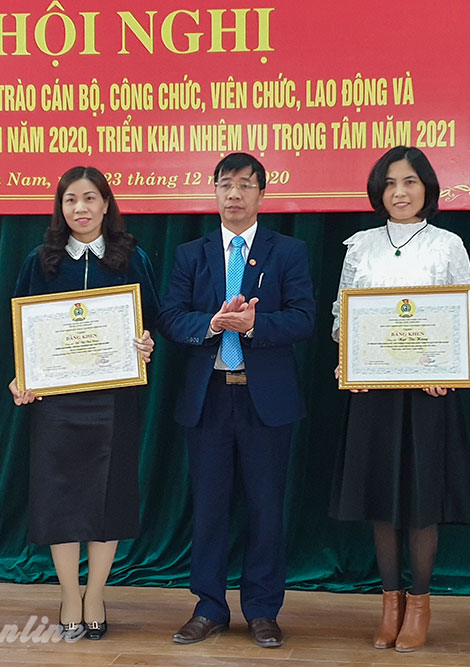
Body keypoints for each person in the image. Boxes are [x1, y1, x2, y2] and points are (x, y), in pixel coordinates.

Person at [157, 152, 315, 648]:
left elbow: (305, 318)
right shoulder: (191, 254)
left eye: (246, 185)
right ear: (215, 191)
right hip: (208, 399)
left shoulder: (287, 251)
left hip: (264, 400)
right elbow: (170, 317)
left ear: (262, 194)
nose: (235, 194)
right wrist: (211, 323)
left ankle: (263, 610)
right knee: (209, 508)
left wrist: (254, 325)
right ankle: (209, 607)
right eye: (226, 184)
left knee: (266, 508)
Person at [329, 146, 470, 652]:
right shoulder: (360, 246)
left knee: (421, 501)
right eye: (391, 183)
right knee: (382, 499)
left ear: (427, 188)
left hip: (428, 393)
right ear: (379, 190)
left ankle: (419, 603)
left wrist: (450, 369)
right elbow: (342, 315)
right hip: (373, 392)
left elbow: (466, 314)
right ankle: (389, 603)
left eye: (410, 182)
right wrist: (349, 359)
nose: (400, 192)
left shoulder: (448, 244)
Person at [9, 166, 158, 641]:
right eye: (71, 199)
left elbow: (153, 319)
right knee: (61, 498)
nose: (81, 208)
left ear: (106, 204)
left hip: (115, 400)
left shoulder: (132, 258)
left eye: (90, 198)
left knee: (108, 498)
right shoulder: (41, 260)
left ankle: (96, 593)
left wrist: (146, 343)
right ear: (60, 207)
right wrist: (22, 376)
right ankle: (69, 593)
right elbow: (21, 328)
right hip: (56, 403)